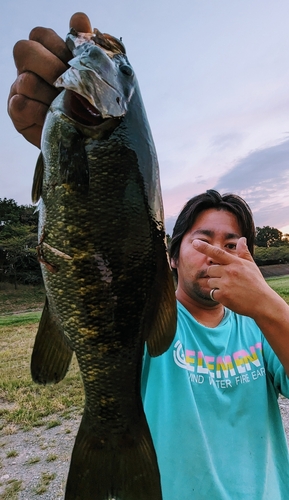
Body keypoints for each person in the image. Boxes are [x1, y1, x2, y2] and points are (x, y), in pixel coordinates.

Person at [8, 12, 289, 499]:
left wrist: (266, 303)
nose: (218, 253)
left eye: (232, 243)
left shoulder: (261, 326)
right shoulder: (149, 320)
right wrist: (64, 153)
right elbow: (107, 257)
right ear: (171, 255)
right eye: (204, 240)